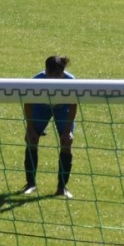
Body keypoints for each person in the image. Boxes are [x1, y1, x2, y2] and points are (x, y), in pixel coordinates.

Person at [23, 56, 77, 198]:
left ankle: (62, 188)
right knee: (31, 140)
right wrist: (30, 128)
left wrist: (67, 131)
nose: (53, 79)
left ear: (63, 73)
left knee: (67, 142)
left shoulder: (71, 82)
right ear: (45, 71)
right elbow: (27, 103)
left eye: (57, 76)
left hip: (63, 108)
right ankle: (30, 184)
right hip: (41, 107)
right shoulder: (37, 81)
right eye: (50, 75)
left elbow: (73, 105)